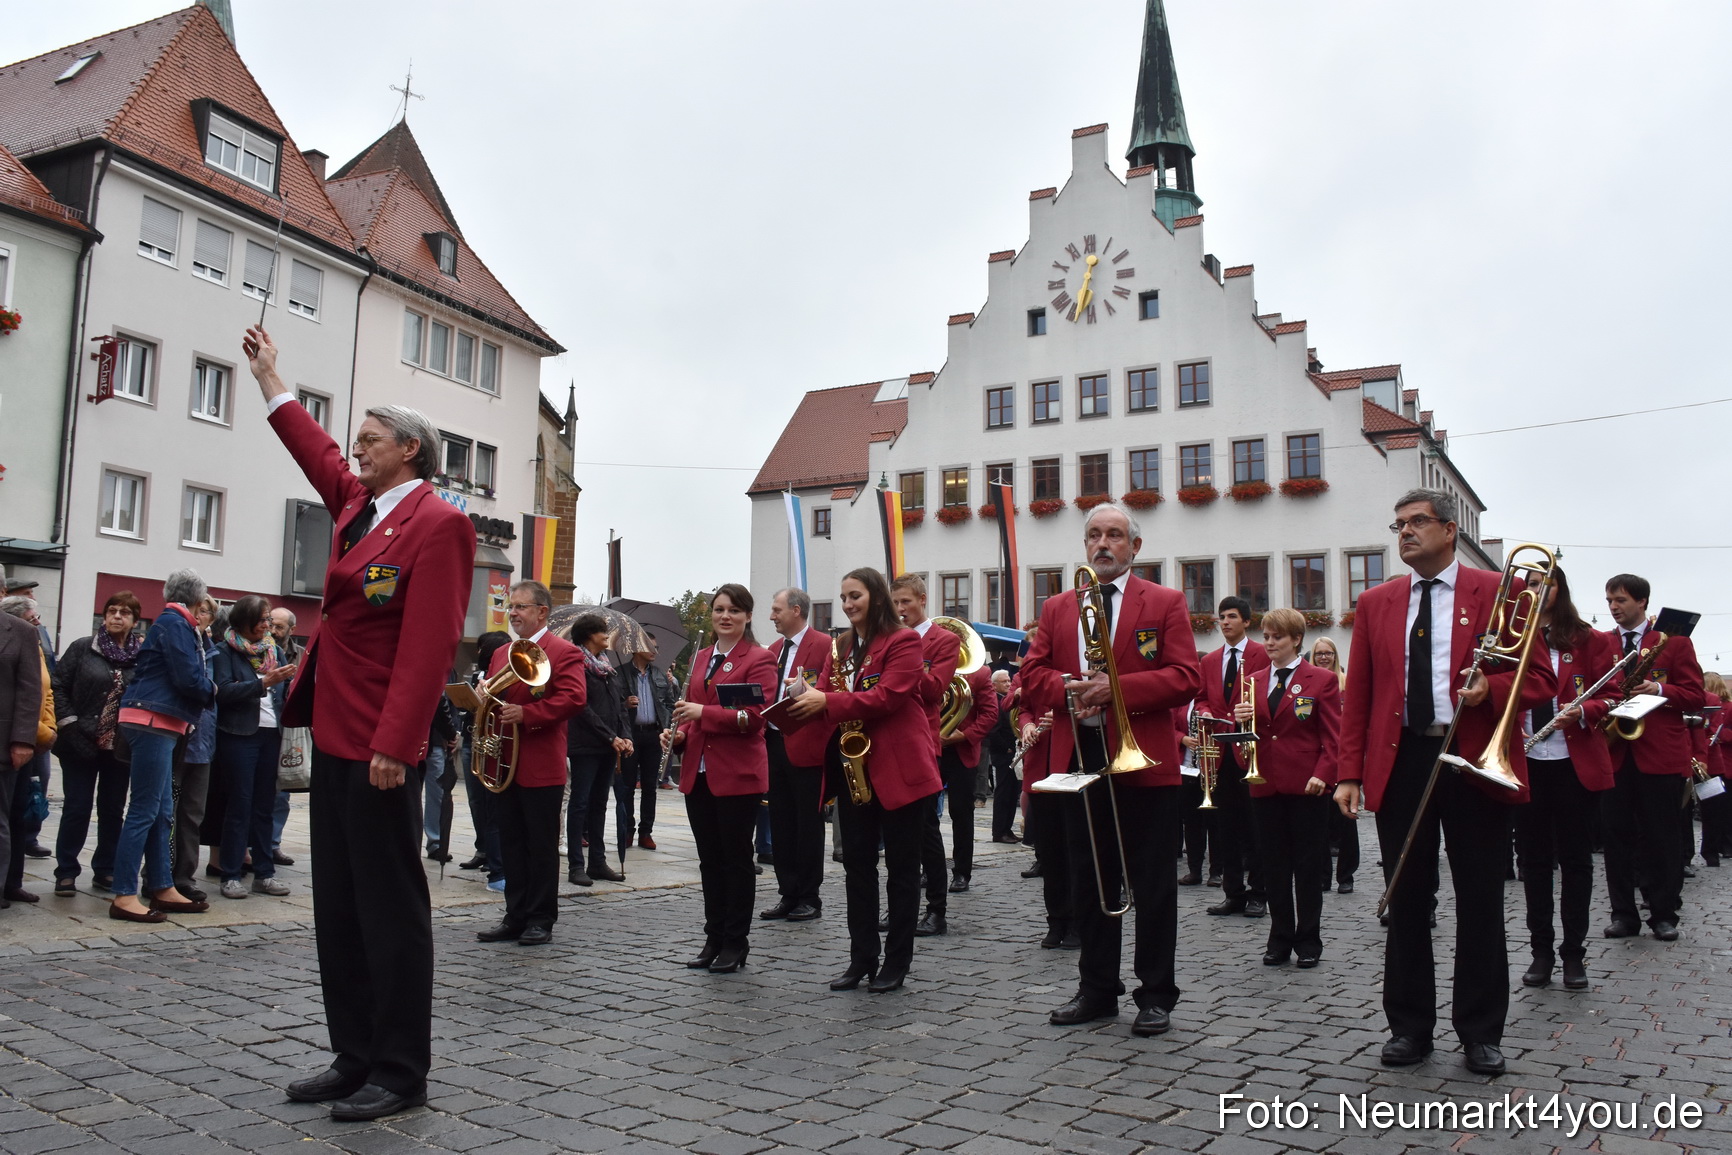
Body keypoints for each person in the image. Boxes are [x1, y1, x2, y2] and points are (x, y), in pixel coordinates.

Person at [245, 325, 476, 1122]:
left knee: (389, 907)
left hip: (379, 741)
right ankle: (354, 1054)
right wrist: (271, 377)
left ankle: (401, 1067)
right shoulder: (357, 507)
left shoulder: (439, 524)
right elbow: (314, 451)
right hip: (336, 733)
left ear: (410, 448)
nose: (357, 449)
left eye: (371, 439)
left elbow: (428, 642)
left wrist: (398, 743)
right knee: (337, 907)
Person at [1336, 488, 1556, 1077]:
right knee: (1406, 896)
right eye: (1398, 523)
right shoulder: (1379, 602)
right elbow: (1359, 695)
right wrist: (1349, 772)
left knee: (1481, 897)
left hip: (1472, 757)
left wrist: (1493, 691)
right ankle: (1409, 1026)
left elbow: (1540, 678)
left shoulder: (1496, 592)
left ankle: (1480, 1032)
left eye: (1416, 523)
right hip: (1402, 758)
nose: (1404, 532)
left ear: (1449, 529)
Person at [1019, 503, 1201, 1037]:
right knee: (1089, 879)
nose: (1103, 543)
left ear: (1134, 547)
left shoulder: (1164, 601)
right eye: (1094, 535)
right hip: (1081, 760)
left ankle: (1155, 993)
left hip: (1142, 760)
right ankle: (1097, 988)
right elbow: (1032, 673)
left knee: (1153, 883)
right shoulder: (1057, 605)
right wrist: (1071, 689)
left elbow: (1186, 676)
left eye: (1115, 535)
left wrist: (1116, 689)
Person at [785, 567, 938, 993]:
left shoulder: (904, 640)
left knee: (903, 872)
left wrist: (827, 700)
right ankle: (861, 958)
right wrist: (801, 693)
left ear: (875, 596)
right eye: (843, 597)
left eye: (855, 595)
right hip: (854, 772)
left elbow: (888, 697)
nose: (848, 604)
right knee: (857, 868)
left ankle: (897, 963)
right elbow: (830, 694)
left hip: (899, 770)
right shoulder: (842, 647)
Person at [1513, 566, 1620, 990]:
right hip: (1527, 760)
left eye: (1545, 584)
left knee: (1576, 862)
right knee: (1533, 863)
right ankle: (1541, 951)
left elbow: (1614, 693)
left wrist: (1585, 710)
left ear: (1560, 589)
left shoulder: (1586, 638)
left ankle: (1573, 954)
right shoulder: (1514, 637)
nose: (1538, 591)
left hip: (1574, 763)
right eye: (1532, 586)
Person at [663, 584, 775, 973]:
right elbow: (695, 718)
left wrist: (701, 714)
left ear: (747, 616)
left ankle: (735, 941)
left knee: (736, 861)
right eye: (718, 610)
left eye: (733, 610)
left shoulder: (759, 658)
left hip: (737, 774)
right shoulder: (701, 658)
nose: (725, 616)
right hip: (700, 772)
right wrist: (678, 737)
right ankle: (713, 937)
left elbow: (757, 718)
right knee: (710, 862)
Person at [474, 582, 584, 946]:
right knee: (511, 844)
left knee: (540, 845)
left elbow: (573, 699)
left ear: (542, 612)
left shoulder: (564, 651)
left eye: (522, 607)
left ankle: (540, 918)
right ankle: (515, 914)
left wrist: (529, 713)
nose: (515, 613)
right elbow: (493, 698)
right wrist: (481, 695)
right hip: (504, 762)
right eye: (512, 608)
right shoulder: (501, 652)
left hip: (539, 762)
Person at [1600, 573, 1707, 942]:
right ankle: (1623, 915)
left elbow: (1695, 696)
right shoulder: (1602, 643)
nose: (1614, 608)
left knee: (1662, 838)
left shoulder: (1672, 643)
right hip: (1616, 750)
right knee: (1615, 837)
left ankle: (1664, 913)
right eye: (1610, 601)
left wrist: (1659, 688)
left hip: (1659, 753)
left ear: (1643, 602)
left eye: (1622, 601)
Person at [1232, 609, 1341, 968]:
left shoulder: (1321, 679)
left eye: (1277, 636)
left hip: (1307, 785)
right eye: (1266, 636)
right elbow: (1243, 740)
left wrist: (1323, 774)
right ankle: (1279, 938)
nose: (1270, 643)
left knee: (1308, 866)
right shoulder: (1254, 678)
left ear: (1296, 639)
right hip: (1265, 783)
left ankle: (1308, 939)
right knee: (1273, 865)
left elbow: (1333, 736)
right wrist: (1241, 722)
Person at [107, 570, 215, 924]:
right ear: (198, 602)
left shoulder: (176, 624)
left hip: (160, 722)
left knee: (162, 812)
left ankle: (162, 885)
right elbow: (188, 678)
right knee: (143, 810)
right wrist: (212, 690)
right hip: (152, 721)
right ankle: (123, 894)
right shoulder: (175, 624)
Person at [51, 590, 143, 895]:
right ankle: (66, 870)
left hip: (119, 746)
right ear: (104, 616)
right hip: (79, 741)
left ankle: (105, 869)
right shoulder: (82, 648)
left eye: (124, 613)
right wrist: (70, 726)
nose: (117, 616)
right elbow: (58, 687)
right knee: (77, 807)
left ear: (134, 620)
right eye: (112, 610)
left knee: (112, 808)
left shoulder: (140, 655)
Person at [888, 574, 961, 936]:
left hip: (921, 743)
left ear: (922, 599)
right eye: (896, 604)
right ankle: (898, 907)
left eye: (906, 603)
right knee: (894, 833)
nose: (901, 610)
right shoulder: (886, 638)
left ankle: (937, 909)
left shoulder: (944, 640)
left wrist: (906, 657)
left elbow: (933, 690)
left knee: (926, 830)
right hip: (887, 742)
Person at [211, 596, 297, 900]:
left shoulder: (273, 651)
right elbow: (222, 692)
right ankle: (231, 874)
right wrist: (263, 684)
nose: (267, 625)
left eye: (269, 620)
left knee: (265, 805)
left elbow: (281, 693)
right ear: (244, 620)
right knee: (239, 805)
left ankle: (265, 873)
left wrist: (290, 684)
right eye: (262, 620)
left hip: (270, 735)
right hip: (238, 735)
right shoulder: (223, 651)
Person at [1193, 597, 1269, 918]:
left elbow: (1270, 695)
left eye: (1232, 616)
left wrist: (1252, 711)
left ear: (1246, 622)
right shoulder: (1209, 660)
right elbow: (1200, 699)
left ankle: (1258, 894)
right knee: (1226, 828)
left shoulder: (1261, 654)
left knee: (1254, 827)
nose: (1224, 622)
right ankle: (1232, 892)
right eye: (1221, 617)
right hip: (1219, 754)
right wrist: (1206, 712)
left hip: (1250, 753)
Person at [760, 587, 831, 922]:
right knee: (781, 822)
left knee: (808, 824)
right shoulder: (773, 649)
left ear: (797, 610)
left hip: (807, 745)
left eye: (777, 610)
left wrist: (806, 691)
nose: (772, 615)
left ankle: (809, 897)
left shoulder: (824, 645)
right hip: (773, 744)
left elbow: (832, 692)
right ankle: (788, 893)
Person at [565, 615, 631, 886]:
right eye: (602, 631)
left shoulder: (607, 665)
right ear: (589, 634)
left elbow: (620, 705)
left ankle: (597, 862)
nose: (607, 635)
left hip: (609, 746)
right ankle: (575, 865)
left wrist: (625, 736)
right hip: (585, 746)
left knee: (600, 804)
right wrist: (609, 736)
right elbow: (581, 707)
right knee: (579, 803)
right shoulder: (576, 664)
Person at [170, 597, 220, 904]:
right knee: (166, 812)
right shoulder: (180, 642)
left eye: (208, 613)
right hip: (176, 739)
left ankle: (184, 877)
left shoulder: (212, 650)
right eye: (199, 611)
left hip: (203, 743)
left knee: (192, 815)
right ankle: (158, 874)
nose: (202, 617)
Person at [0, 590, 45, 909]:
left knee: (3, 819)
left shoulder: (21, 631)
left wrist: (23, 740)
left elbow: (32, 690)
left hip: (4, 742)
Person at [458, 631, 511, 888]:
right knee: (476, 801)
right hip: (473, 739)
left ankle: (495, 858)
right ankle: (484, 849)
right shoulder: (477, 675)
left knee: (492, 805)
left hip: (492, 743)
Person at [615, 635, 675, 853]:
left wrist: (666, 728)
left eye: (657, 647)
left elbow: (669, 703)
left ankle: (646, 831)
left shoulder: (658, 674)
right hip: (630, 735)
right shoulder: (620, 673)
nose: (655, 651)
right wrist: (624, 703)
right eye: (651, 647)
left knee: (650, 786)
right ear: (636, 648)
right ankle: (628, 829)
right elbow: (611, 704)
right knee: (627, 786)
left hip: (653, 736)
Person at [1307, 636, 1357, 893]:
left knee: (1346, 821)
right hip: (1317, 761)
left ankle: (1346, 876)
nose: (1324, 657)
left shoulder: (1347, 684)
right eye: (1319, 654)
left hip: (1343, 759)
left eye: (1328, 653)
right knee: (1320, 824)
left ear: (1336, 656)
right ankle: (1323, 876)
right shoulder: (1308, 683)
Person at [267, 607, 301, 866]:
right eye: (271, 624)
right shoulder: (259, 649)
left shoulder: (300, 655)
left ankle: (273, 843)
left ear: (291, 629)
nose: (273, 631)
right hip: (262, 727)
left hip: (287, 731)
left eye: (279, 627)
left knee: (282, 793)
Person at [1699, 672, 1730, 866]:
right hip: (1693, 759)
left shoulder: (1714, 701)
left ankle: (1712, 850)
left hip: (1713, 763)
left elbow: (1716, 730)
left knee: (1714, 811)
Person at [987, 669, 1021, 844]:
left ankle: (1007, 829)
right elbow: (992, 730)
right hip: (1003, 754)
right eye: (1004, 681)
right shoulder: (995, 701)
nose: (1008, 684)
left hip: (1012, 752)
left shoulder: (1007, 700)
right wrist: (1007, 749)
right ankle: (999, 832)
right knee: (1003, 793)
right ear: (994, 685)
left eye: (1009, 681)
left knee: (1012, 792)